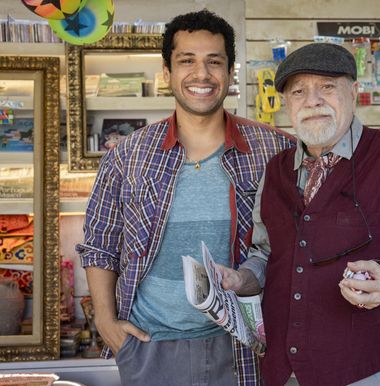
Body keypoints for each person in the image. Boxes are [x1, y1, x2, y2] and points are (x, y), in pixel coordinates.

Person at [76, 10, 293, 386]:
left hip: (249, 345)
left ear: (230, 71)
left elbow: (296, 242)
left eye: (214, 61)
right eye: (186, 61)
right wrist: (106, 321)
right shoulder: (127, 155)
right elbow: (100, 245)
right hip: (152, 347)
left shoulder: (275, 149)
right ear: (167, 72)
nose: (202, 74)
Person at [220, 43, 380, 385]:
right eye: (299, 91)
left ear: (354, 91)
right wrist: (242, 280)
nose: (312, 101)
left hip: (371, 370)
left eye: (327, 87)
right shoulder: (275, 170)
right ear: (288, 104)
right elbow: (267, 254)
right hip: (286, 372)